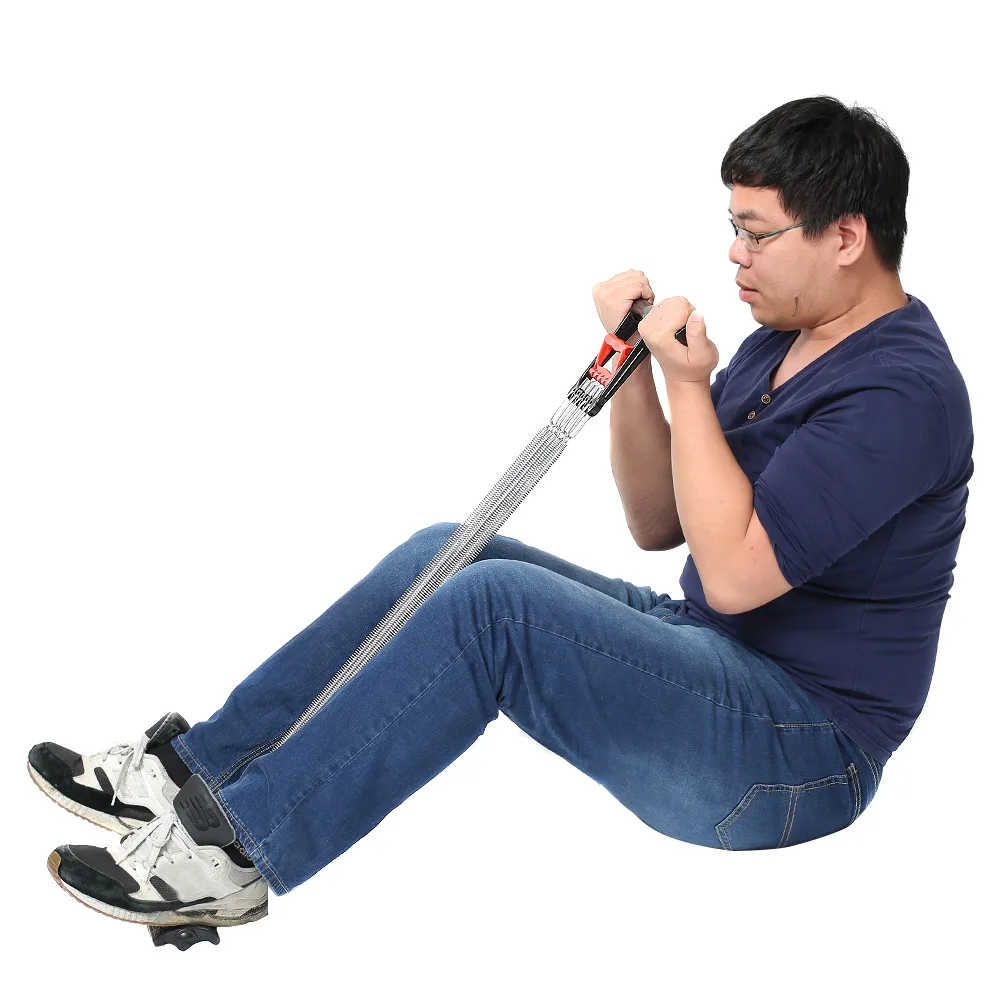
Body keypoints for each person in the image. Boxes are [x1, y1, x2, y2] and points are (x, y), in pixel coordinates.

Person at [28, 94, 973, 934]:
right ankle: (189, 774)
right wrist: (634, 366)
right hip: (709, 650)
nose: (734, 253)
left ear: (844, 236)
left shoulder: (903, 392)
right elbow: (658, 522)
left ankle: (235, 855)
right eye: (732, 227)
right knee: (448, 553)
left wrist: (691, 386)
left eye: (757, 234)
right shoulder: (785, 340)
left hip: (797, 752)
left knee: (495, 610)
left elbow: (730, 573)